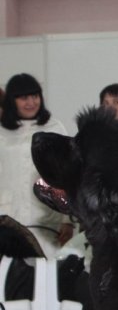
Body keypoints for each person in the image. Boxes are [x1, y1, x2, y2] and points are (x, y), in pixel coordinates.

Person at [1, 73, 74, 257]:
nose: (31, 102)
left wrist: (68, 220)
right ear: (12, 100)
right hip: (9, 220)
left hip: (47, 223)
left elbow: (68, 175)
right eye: (24, 97)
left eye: (35, 96)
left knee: (45, 279)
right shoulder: (2, 132)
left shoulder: (54, 128)